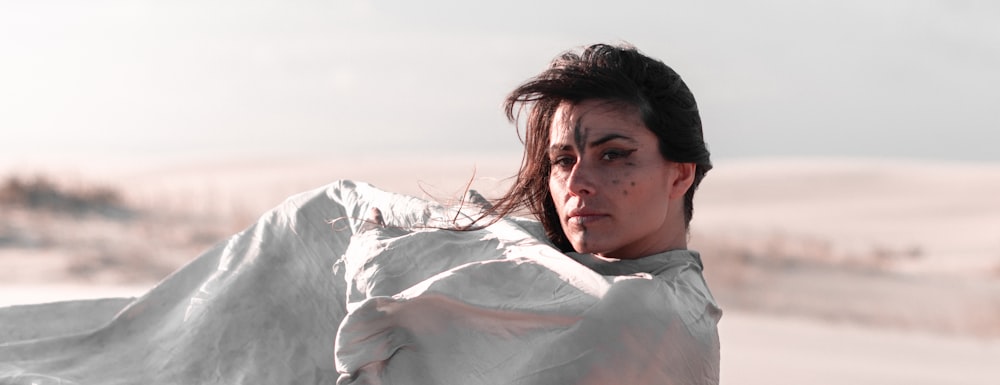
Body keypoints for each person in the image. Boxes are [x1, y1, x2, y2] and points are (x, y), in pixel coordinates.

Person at [0, 43, 720, 385]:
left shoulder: (643, 315)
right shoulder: (558, 272)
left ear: (679, 172)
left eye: (615, 154)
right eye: (563, 159)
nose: (579, 181)